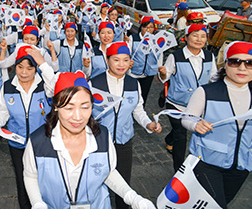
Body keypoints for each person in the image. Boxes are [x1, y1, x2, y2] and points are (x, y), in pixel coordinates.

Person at [23, 71, 156, 209]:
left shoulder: (102, 136)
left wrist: (132, 197)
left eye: (85, 107)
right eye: (69, 108)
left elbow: (108, 172)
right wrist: (37, 203)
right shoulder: (37, 141)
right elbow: (30, 175)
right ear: (56, 106)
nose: (78, 117)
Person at [182, 41, 252, 208]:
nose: (242, 68)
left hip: (242, 164)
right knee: (217, 205)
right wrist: (196, 125)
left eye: (251, 63)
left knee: (221, 201)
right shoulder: (206, 92)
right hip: (207, 162)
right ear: (225, 64)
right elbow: (187, 118)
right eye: (235, 61)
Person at [90, 42, 162, 209]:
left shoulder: (133, 84)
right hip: (98, 143)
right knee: (96, 183)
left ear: (130, 62)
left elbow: (138, 110)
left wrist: (148, 124)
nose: (121, 64)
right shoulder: (94, 83)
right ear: (107, 60)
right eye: (116, 60)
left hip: (124, 142)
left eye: (125, 60)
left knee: (123, 185)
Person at [0, 46, 54, 209]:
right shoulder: (7, 86)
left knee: (43, 180)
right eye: (20, 67)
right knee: (22, 179)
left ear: (36, 68)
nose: (24, 72)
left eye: (29, 68)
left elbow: (55, 86)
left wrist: (43, 64)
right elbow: (2, 112)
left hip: (42, 144)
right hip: (17, 144)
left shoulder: (44, 86)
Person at [158, 24, 217, 171]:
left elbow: (214, 77)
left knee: (181, 131)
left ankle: (168, 139)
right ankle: (179, 171)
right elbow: (164, 78)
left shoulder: (209, 56)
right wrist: (163, 73)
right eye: (195, 35)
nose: (199, 39)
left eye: (203, 36)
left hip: (197, 105)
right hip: (176, 103)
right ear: (186, 37)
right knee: (181, 136)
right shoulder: (176, 56)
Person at [129, 17, 162, 107]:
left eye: (151, 27)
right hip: (134, 72)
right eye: (145, 27)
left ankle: (140, 111)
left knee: (144, 95)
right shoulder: (134, 38)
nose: (148, 30)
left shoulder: (156, 40)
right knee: (132, 95)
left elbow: (160, 56)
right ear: (141, 27)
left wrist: (159, 70)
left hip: (148, 73)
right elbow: (128, 53)